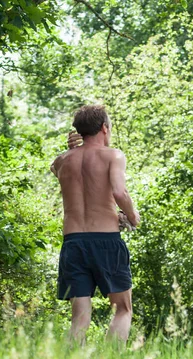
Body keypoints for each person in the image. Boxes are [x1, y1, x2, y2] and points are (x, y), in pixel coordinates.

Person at [51, 105, 140, 345]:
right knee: (122, 309)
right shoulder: (113, 155)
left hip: (73, 243)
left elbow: (58, 168)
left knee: (79, 318)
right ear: (104, 128)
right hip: (106, 241)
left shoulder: (61, 162)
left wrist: (72, 149)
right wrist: (132, 216)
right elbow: (119, 191)